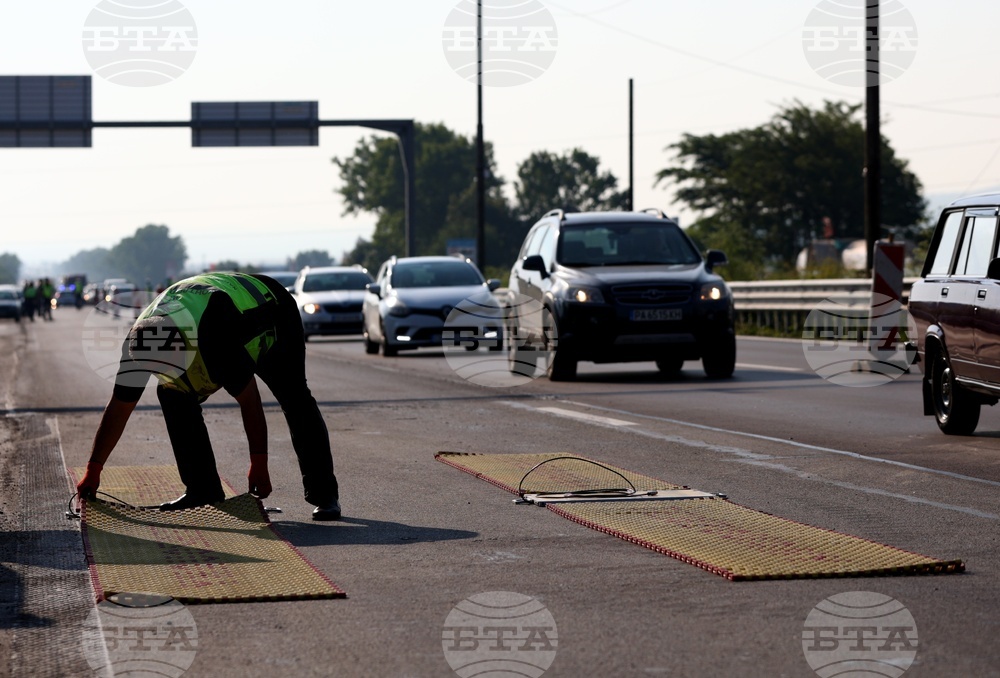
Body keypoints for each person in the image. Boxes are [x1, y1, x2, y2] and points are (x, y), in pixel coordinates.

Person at [76, 272, 342, 520]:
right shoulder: (138, 344)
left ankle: (324, 494)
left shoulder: (214, 337)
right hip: (220, 313)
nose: (173, 376)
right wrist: (93, 470)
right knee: (171, 393)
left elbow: (250, 401)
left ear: (183, 346)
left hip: (272, 312)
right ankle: (202, 489)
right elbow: (119, 407)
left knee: (295, 399)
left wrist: (259, 464)